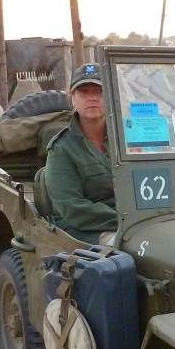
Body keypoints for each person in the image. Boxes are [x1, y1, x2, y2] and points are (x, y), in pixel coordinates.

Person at [43, 63, 117, 243]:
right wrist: (125, 220)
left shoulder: (124, 140)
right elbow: (72, 208)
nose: (92, 98)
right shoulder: (61, 148)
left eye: (99, 91)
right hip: (82, 227)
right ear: (73, 98)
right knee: (125, 251)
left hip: (129, 220)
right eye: (84, 91)